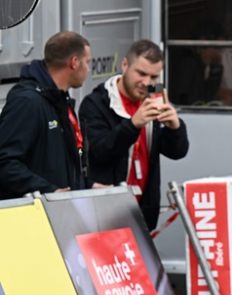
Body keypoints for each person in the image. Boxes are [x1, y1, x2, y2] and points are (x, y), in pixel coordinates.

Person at [79, 39, 189, 231]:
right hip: (105, 214)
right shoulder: (96, 103)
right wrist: (133, 124)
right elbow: (99, 153)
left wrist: (175, 127)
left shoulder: (153, 98)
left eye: (154, 77)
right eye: (141, 73)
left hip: (143, 213)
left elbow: (176, 152)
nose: (147, 83)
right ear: (125, 65)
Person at [0, 31, 93, 199]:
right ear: (74, 62)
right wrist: (48, 191)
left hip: (61, 207)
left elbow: (68, 164)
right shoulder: (28, 102)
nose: (89, 69)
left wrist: (88, 187)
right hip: (36, 211)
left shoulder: (60, 99)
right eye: (87, 62)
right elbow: (5, 162)